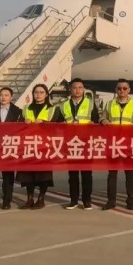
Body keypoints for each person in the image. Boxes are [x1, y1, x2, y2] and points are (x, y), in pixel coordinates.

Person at [58, 78, 100, 210]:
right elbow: (58, 122)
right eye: (74, 87)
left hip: (86, 142)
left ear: (83, 90)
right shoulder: (63, 105)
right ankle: (73, 200)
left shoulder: (90, 103)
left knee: (86, 173)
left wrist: (94, 124)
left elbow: (96, 120)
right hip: (71, 142)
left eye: (80, 87)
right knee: (73, 174)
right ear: (70, 89)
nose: (77, 90)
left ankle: (87, 200)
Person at [101, 78, 133, 210]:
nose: (122, 91)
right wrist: (103, 120)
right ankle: (111, 201)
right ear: (116, 90)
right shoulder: (109, 104)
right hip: (114, 143)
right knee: (112, 174)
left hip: (128, 144)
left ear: (129, 90)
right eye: (119, 88)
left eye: (124, 88)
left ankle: (130, 200)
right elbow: (102, 117)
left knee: (130, 174)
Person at [17, 84, 58, 210]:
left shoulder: (53, 109)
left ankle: (41, 198)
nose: (38, 94)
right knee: (28, 174)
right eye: (36, 92)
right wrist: (23, 122)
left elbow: (58, 125)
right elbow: (17, 124)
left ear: (46, 94)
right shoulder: (26, 108)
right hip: (28, 145)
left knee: (43, 174)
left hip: (44, 145)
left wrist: (45, 123)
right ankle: (29, 199)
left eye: (41, 92)